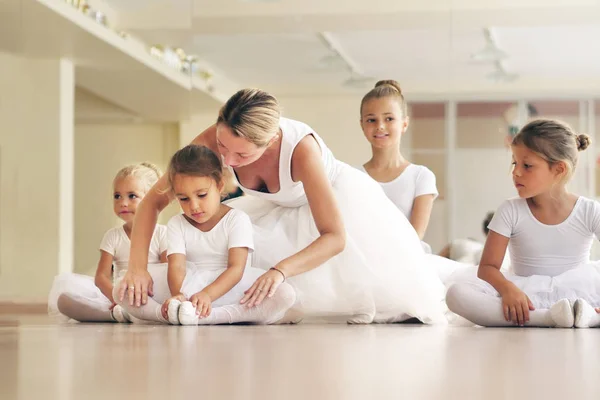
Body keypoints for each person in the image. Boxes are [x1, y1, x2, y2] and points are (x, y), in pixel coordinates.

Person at [118, 88, 446, 324]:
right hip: (276, 211)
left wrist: (280, 270)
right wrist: (136, 267)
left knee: (388, 295)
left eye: (241, 155)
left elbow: (334, 237)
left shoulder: (301, 151)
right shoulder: (214, 139)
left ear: (271, 140)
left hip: (338, 206)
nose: (227, 162)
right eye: (223, 147)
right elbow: (153, 202)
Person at [446, 119, 600, 328]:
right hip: (525, 295)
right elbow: (488, 267)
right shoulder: (510, 210)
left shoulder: (590, 210)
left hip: (581, 292)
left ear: (559, 169)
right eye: (514, 163)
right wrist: (507, 289)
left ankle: (585, 316)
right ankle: (549, 318)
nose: (516, 172)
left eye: (527, 165)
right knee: (456, 294)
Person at [48, 163, 167, 322]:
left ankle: (139, 312)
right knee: (63, 299)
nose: (123, 202)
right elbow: (101, 277)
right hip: (117, 294)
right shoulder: (113, 236)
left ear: (151, 199)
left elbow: (166, 272)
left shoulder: (162, 234)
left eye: (132, 196)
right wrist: (116, 298)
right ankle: (119, 313)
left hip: (151, 294)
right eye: (117, 196)